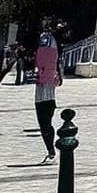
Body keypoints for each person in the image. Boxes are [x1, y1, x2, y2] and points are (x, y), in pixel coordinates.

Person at [33, 31, 62, 165]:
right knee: (47, 125)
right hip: (50, 98)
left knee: (45, 125)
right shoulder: (54, 56)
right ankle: (51, 151)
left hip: (41, 99)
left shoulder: (43, 52)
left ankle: (51, 151)